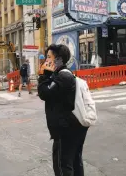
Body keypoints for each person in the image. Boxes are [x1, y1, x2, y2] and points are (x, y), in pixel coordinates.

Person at [38, 44, 89, 176]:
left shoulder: (63, 77)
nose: (46, 61)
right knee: (75, 161)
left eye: (49, 57)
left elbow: (44, 93)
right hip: (73, 127)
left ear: (59, 60)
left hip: (65, 130)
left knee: (62, 166)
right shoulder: (63, 75)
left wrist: (44, 74)